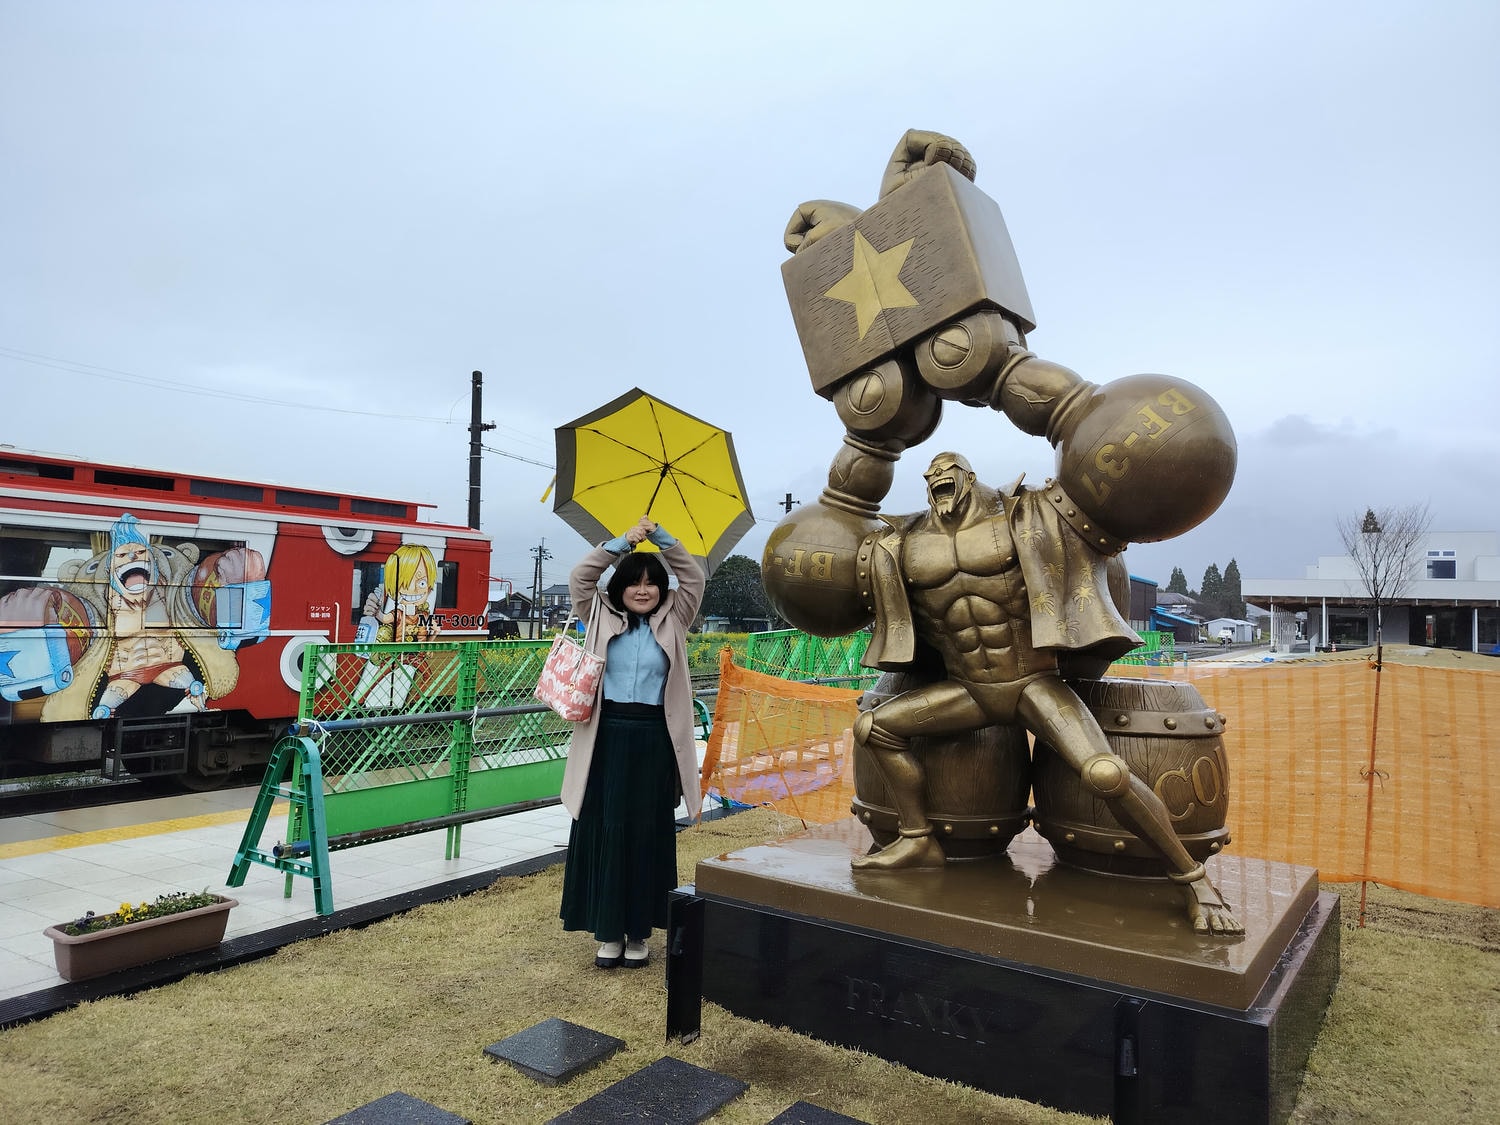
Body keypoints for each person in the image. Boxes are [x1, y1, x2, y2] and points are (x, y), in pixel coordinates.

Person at [854, 452, 1244, 935]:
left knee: (1104, 773)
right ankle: (917, 837)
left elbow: (1094, 527)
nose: (937, 480)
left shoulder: (1023, 516)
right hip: (969, 688)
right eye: (930, 477)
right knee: (874, 725)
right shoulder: (906, 540)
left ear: (969, 478)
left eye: (946, 473)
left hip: (1033, 684)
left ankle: (1193, 878)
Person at [558, 516, 706, 969]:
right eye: (633, 583)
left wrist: (661, 538)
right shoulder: (598, 613)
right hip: (605, 739)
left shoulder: (675, 617)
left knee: (647, 833)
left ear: (662, 590)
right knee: (604, 832)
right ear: (620, 587)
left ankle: (639, 933)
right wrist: (624, 542)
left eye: (652, 584)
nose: (643, 591)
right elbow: (581, 576)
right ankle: (608, 933)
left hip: (655, 742)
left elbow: (694, 576)